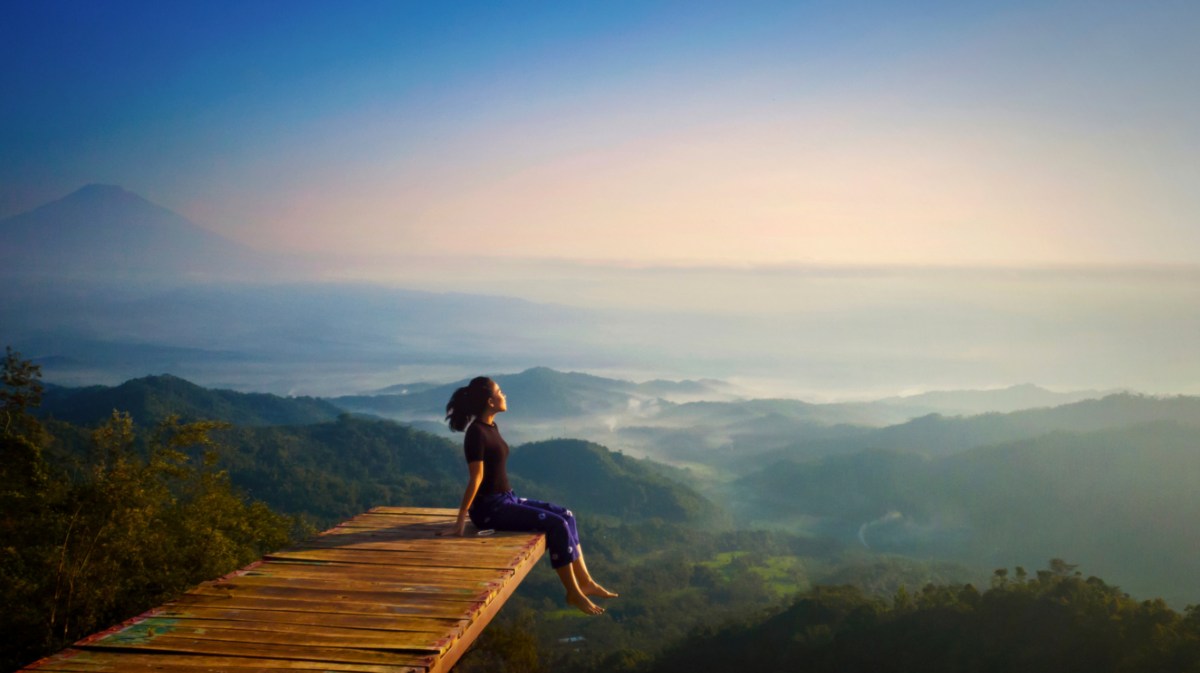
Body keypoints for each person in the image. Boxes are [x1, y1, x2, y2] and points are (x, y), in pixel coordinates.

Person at [443, 376, 617, 615]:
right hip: (489, 509)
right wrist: (461, 519)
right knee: (556, 525)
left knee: (566, 515)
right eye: (500, 392)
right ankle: (573, 592)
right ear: (490, 401)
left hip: (507, 498)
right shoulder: (476, 433)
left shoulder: (490, 426)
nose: (504, 395)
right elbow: (476, 478)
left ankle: (585, 580)